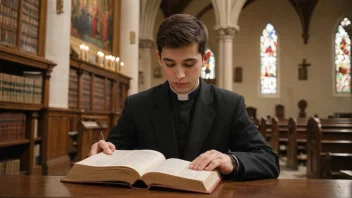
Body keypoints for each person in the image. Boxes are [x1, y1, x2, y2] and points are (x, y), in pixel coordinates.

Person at [90, 14, 280, 181]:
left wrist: (231, 160)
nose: (179, 74)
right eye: (170, 64)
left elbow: (268, 160)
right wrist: (103, 152)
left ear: (205, 59)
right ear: (159, 57)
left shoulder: (229, 104)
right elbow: (114, 150)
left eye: (189, 64)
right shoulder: (137, 104)